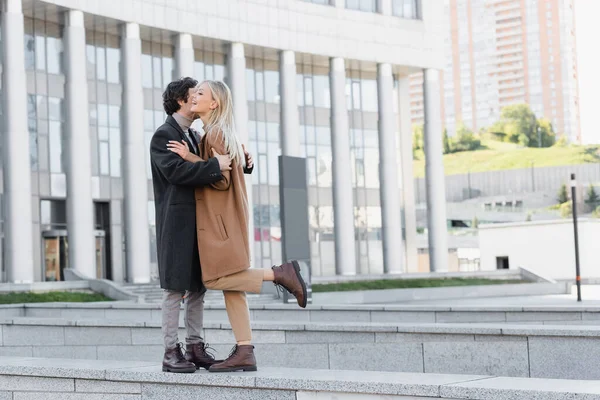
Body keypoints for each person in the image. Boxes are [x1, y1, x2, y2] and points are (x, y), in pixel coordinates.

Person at [167, 80, 307, 373]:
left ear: (214, 103)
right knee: (234, 288)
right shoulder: (216, 132)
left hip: (220, 223)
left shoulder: (215, 132)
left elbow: (221, 178)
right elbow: (233, 167)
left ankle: (280, 274)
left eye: (201, 93)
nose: (195, 97)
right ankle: (245, 350)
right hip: (227, 220)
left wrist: (188, 156)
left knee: (216, 280)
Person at [150, 77, 254, 374]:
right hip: (177, 226)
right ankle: (171, 352)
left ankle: (195, 348)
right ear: (181, 101)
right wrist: (214, 167)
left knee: (198, 289)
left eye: (200, 93)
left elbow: (220, 160)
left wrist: (241, 163)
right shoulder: (164, 135)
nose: (196, 98)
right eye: (192, 94)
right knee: (175, 290)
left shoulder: (195, 134)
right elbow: (176, 172)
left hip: (200, 225)